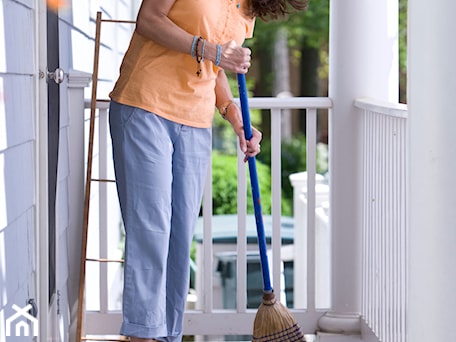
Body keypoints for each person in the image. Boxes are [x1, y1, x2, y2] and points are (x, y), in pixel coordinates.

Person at [108, 0, 308, 341]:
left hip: (196, 123)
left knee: (179, 237)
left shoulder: (248, 11)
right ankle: (142, 334)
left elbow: (215, 70)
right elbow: (148, 20)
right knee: (151, 230)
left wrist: (235, 116)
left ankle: (167, 335)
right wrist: (209, 49)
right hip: (146, 105)